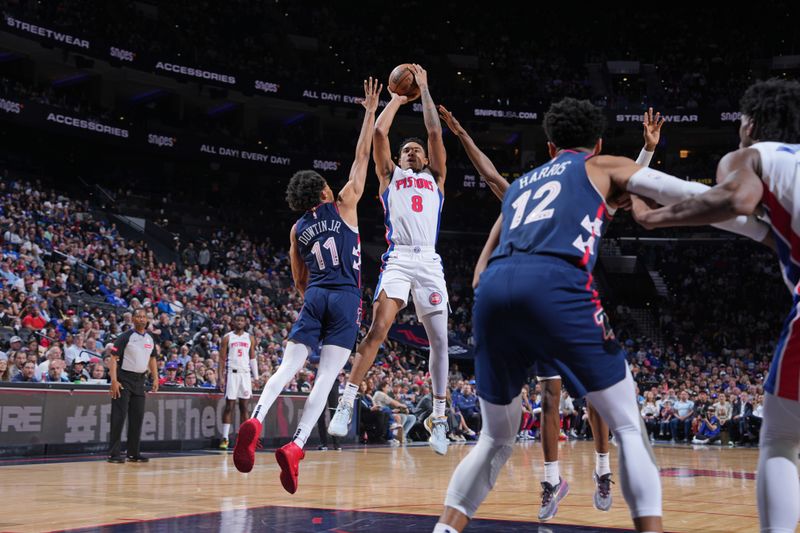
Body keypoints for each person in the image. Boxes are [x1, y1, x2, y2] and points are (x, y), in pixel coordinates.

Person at [433, 97, 670, 533]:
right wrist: (462, 133)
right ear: (596, 145)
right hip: (552, 295)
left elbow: (616, 184)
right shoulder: (527, 193)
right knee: (562, 401)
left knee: (582, 407)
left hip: (524, 292)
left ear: (549, 148)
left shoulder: (534, 185)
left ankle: (602, 470)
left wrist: (648, 150)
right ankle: (552, 480)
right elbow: (623, 183)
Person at [630, 78, 800, 533]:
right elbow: (749, 224)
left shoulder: (752, 157)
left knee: (782, 440)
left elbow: (735, 198)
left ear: (750, 124)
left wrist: (653, 218)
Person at [233, 78, 380, 495]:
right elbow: (362, 155)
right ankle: (296, 446)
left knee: (288, 366)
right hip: (346, 297)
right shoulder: (346, 201)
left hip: (314, 295)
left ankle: (256, 418)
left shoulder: (298, 228)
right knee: (325, 379)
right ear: (322, 190)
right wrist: (369, 111)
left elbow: (298, 278)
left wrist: (313, 301)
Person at [329, 65, 452, 456]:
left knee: (441, 342)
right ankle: (347, 400)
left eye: (416, 150)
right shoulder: (390, 177)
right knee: (377, 330)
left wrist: (426, 89)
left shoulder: (436, 178)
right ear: (398, 159)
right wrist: (397, 100)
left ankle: (439, 416)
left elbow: (434, 132)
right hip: (398, 258)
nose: (413, 151)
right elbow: (380, 133)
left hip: (429, 261)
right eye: (407, 150)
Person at [107, 308, 158, 463]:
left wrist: (155, 378)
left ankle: (133, 453)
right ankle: (114, 454)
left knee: (137, 418)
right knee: (119, 417)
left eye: (144, 317)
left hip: (140, 381)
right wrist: (114, 381)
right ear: (133, 319)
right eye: (138, 316)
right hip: (124, 379)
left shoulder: (150, 338)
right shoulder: (125, 337)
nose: (141, 319)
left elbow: (152, 359)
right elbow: (113, 358)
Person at [217, 313, 258, 450]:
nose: (240, 322)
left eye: (242, 320)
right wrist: (220, 377)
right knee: (229, 406)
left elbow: (252, 357)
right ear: (233, 322)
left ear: (245, 323)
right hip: (232, 373)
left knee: (244, 407)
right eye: (237, 320)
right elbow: (222, 358)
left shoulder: (250, 338)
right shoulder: (227, 337)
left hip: (245, 375)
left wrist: (256, 377)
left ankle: (243, 439)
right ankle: (225, 438)